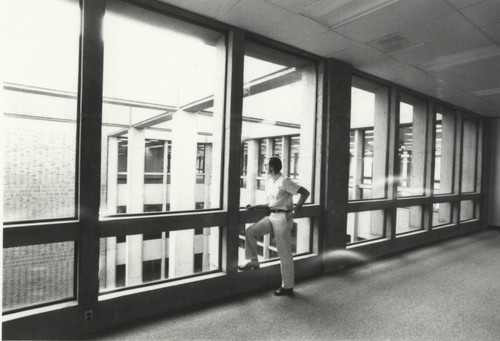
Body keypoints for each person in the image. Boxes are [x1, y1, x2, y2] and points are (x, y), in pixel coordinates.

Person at [238, 156, 310, 297]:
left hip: (283, 218)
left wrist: (295, 210)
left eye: (266, 165)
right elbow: (271, 203)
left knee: (284, 254)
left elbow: (305, 193)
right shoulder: (271, 182)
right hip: (272, 216)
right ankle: (253, 261)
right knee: (250, 232)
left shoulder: (285, 181)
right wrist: (255, 206)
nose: (264, 167)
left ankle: (287, 287)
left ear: (272, 167)